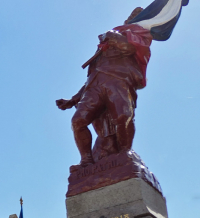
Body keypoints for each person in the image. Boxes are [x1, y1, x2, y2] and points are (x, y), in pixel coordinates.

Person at [57, 8, 153, 168]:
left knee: (123, 116)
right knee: (78, 121)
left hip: (118, 81)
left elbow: (129, 48)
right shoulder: (106, 46)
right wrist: (73, 99)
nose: (130, 21)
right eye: (131, 18)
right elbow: (93, 75)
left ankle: (124, 153)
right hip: (95, 86)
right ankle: (86, 161)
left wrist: (114, 36)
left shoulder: (137, 38)